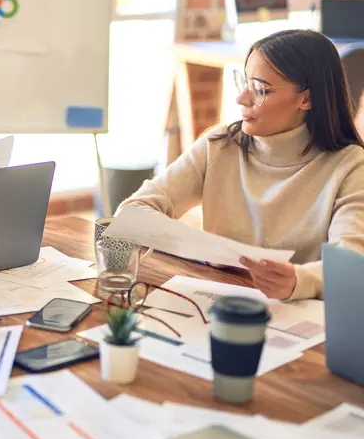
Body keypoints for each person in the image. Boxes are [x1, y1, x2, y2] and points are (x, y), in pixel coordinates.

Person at [117, 29, 364, 300]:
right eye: (244, 83)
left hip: (297, 315)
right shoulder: (220, 145)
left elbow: (351, 264)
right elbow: (133, 211)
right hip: (214, 302)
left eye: (260, 90)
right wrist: (204, 249)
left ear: (306, 99)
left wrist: (299, 281)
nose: (241, 99)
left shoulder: (350, 166)